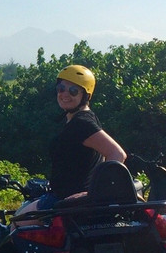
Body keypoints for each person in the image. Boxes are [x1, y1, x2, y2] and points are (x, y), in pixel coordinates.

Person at [24, 65, 126, 214]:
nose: (65, 94)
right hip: (65, 197)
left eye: (73, 90)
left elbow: (117, 154)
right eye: (61, 88)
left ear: (85, 95)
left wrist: (95, 190)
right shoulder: (83, 118)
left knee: (16, 225)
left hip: (65, 200)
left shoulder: (82, 123)